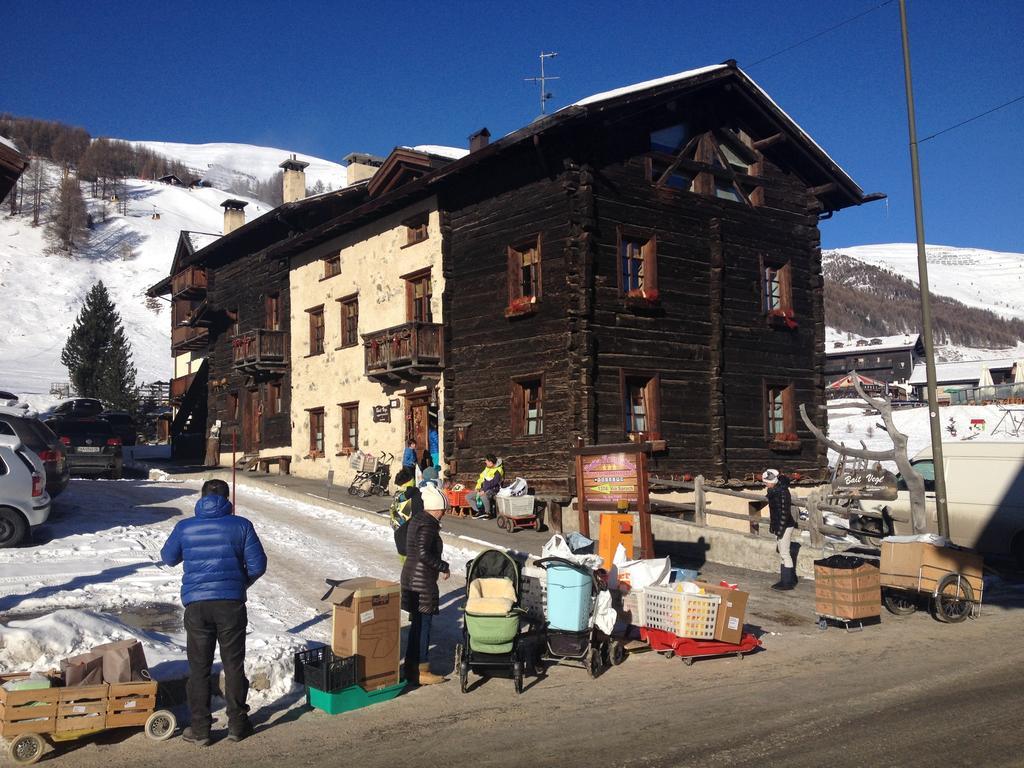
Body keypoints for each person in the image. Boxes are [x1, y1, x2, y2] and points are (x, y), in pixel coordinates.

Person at [160, 479, 267, 745]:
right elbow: (258, 565)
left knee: (199, 668)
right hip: (231, 605)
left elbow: (168, 557)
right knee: (233, 665)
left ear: (202, 497)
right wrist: (239, 583)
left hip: (197, 606)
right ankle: (238, 725)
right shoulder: (241, 525)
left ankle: (200, 730)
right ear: (228, 498)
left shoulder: (185, 527)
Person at [400, 485, 451, 685]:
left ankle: (412, 667)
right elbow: (423, 552)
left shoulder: (418, 519)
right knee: (423, 627)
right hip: (422, 582)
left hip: (413, 578)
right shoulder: (428, 524)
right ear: (438, 509)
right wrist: (442, 566)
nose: (444, 514)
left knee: (418, 626)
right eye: (444, 510)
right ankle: (421, 669)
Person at [763, 468, 797, 591]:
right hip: (780, 525)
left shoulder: (783, 492)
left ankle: (788, 582)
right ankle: (784, 579)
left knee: (784, 553)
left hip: (785, 525)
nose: (765, 484)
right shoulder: (774, 490)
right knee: (782, 553)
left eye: (767, 482)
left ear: (774, 481)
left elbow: (784, 513)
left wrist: (780, 530)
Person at [467, 454, 503, 520]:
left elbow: (493, 483)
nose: (485, 462)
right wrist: (477, 488)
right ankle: (480, 512)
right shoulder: (487, 468)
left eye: (486, 461)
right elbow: (481, 478)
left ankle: (488, 513)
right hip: (483, 489)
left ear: (491, 462)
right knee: (469, 496)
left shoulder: (498, 470)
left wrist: (484, 490)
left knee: (483, 496)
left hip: (493, 490)